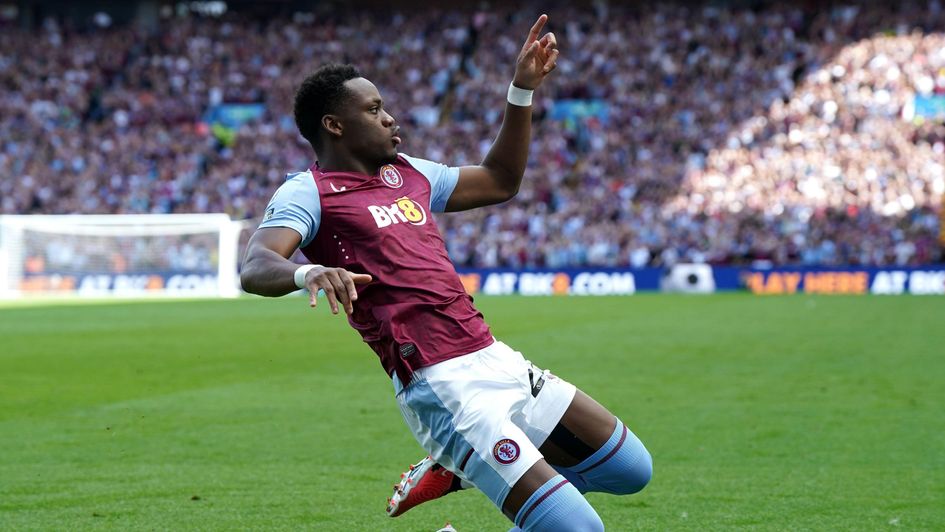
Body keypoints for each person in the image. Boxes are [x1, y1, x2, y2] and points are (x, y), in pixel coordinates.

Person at [239, 15, 652, 531]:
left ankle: (451, 472)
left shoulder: (410, 173)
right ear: (334, 125)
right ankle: (470, 466)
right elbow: (256, 264)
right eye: (373, 109)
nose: (390, 118)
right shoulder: (309, 191)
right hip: (442, 383)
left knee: (630, 469)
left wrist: (521, 90)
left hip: (493, 355)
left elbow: (500, 180)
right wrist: (309, 273)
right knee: (580, 529)